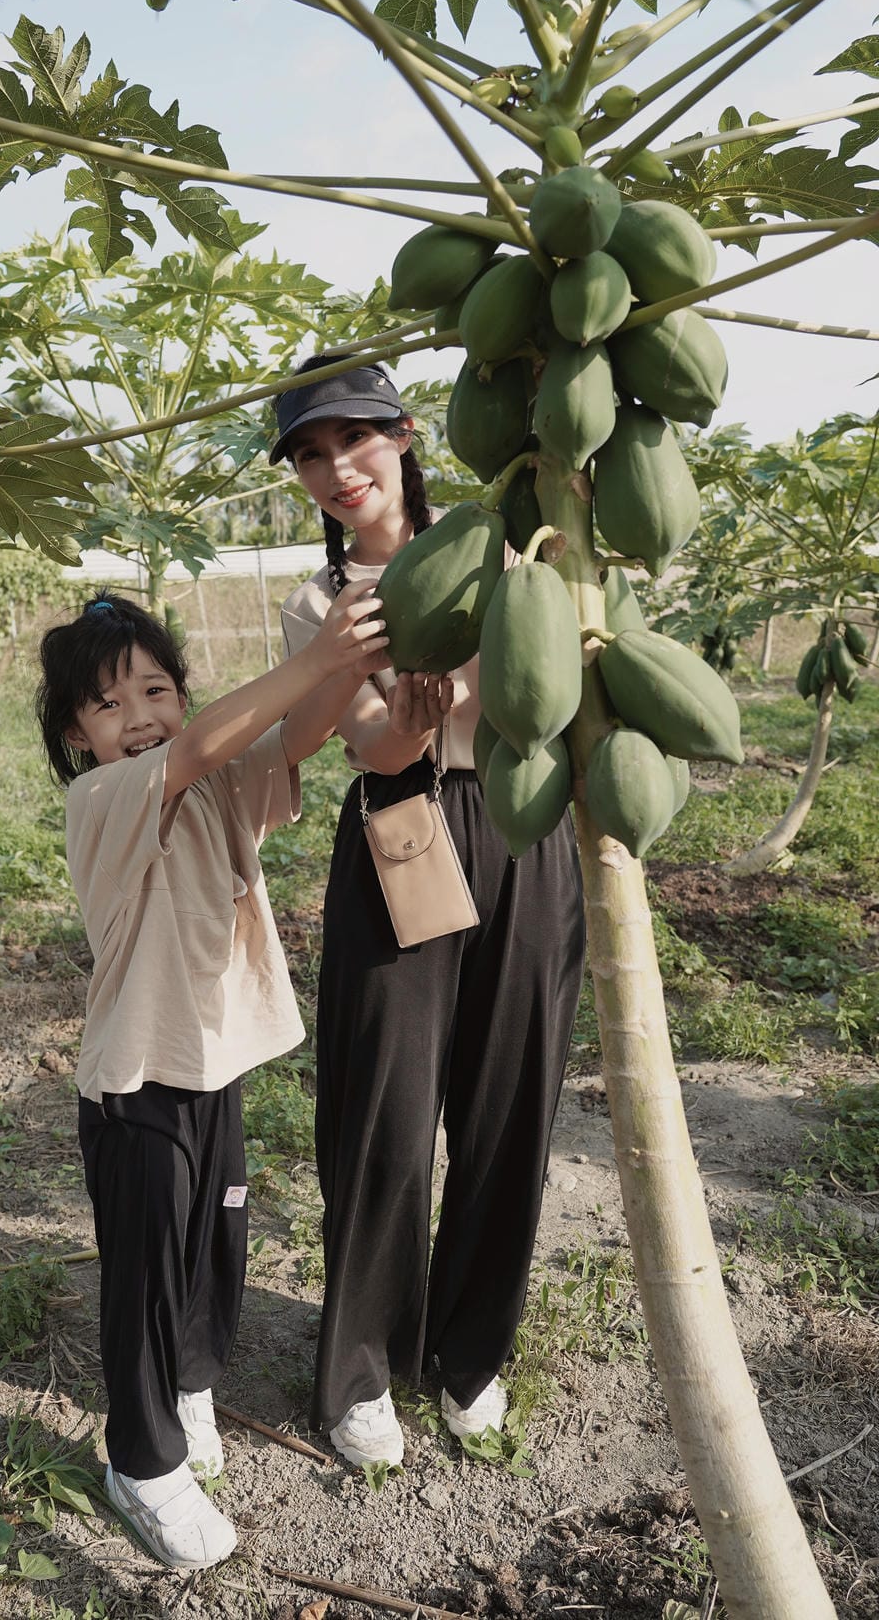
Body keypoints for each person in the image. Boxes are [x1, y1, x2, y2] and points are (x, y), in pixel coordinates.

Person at [36, 583, 388, 1570]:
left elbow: (302, 736)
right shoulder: (102, 798)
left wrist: (342, 664)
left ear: (184, 695)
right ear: (77, 733)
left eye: (156, 689)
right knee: (145, 1277)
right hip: (136, 1083)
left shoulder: (222, 780)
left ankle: (189, 1385)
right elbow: (205, 746)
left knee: (211, 1247)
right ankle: (141, 1462)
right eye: (110, 704)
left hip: (212, 1063)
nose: (140, 717)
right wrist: (315, 660)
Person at [275, 355, 586, 1470]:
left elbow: (555, 669)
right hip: (400, 826)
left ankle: (471, 1355)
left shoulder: (510, 547)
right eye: (310, 454)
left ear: (405, 434)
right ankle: (361, 1368)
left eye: (351, 439)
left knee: (509, 1107)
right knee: (384, 1118)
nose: (335, 468)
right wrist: (418, 708)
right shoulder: (323, 604)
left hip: (518, 821)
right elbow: (368, 745)